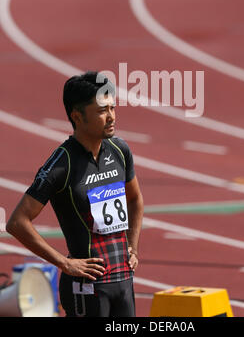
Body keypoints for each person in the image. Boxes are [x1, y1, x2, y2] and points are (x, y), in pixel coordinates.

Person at [6, 71, 144, 317]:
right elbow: (17, 222)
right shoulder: (62, 164)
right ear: (77, 116)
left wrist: (132, 246)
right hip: (88, 289)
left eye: (113, 108)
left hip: (123, 282)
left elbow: (135, 199)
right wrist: (64, 263)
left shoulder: (120, 150)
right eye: (102, 111)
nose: (111, 116)